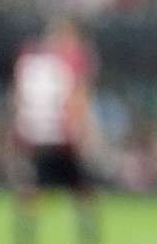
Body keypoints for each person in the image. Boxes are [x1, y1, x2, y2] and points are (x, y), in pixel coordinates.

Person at [8, 18, 100, 244]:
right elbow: (76, 98)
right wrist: (85, 132)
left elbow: (18, 99)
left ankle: (24, 236)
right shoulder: (68, 60)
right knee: (81, 191)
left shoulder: (30, 60)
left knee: (33, 191)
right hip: (62, 137)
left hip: (37, 136)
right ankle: (88, 237)